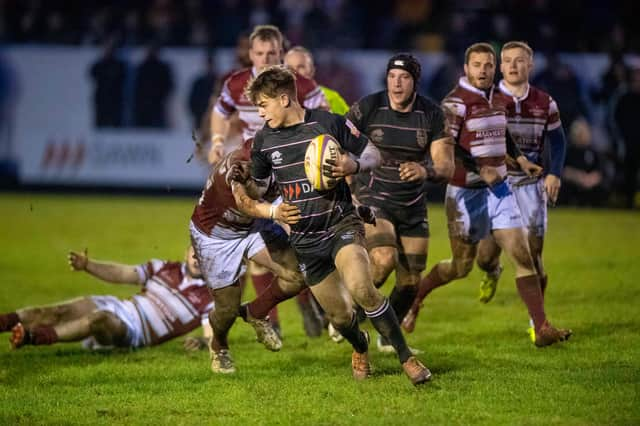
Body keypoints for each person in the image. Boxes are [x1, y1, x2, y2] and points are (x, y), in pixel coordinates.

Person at [242, 65, 431, 385]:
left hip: (341, 224)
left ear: (284, 99)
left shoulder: (327, 123)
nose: (259, 112)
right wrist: (257, 200)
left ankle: (407, 359)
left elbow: (373, 154)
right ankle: (361, 346)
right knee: (340, 317)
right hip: (304, 241)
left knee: (362, 288)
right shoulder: (262, 142)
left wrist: (351, 163)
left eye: (263, 104)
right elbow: (257, 193)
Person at [401, 43, 572, 348]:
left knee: (523, 254)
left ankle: (541, 327)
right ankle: (417, 299)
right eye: (477, 65)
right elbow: (445, 148)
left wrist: (519, 160)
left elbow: (502, 134)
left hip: (500, 190)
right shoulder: (454, 104)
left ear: (495, 69)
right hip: (467, 194)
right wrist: (481, 167)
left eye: (489, 65)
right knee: (461, 266)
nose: (483, 70)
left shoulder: (495, 98)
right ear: (466, 69)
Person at [208, 24, 328, 337]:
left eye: (272, 54)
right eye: (260, 54)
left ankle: (311, 304)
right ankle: (270, 321)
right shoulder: (237, 83)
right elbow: (221, 111)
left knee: (302, 240)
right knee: (260, 246)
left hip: (293, 172)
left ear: (281, 53)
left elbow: (324, 120)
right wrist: (218, 140)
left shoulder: (300, 85)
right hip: (257, 174)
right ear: (250, 54)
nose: (265, 60)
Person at [345, 53, 455, 353]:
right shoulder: (367, 107)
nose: (397, 83)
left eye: (404, 77)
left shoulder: (432, 114)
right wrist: (348, 193)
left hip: (412, 206)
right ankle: (344, 314)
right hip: (373, 198)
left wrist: (425, 170)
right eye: (392, 76)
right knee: (382, 260)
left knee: (410, 282)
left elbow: (446, 166)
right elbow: (339, 149)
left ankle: (384, 335)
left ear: (414, 82)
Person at [474, 41, 569, 343]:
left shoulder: (545, 102)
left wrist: (554, 173)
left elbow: (558, 142)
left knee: (534, 255)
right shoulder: (486, 99)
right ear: (500, 67)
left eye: (519, 61)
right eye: (507, 61)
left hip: (530, 187)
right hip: (495, 186)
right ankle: (491, 271)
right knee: (484, 257)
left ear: (530, 65)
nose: (513, 66)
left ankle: (537, 325)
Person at [189, 144, 306, 374]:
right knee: (227, 310)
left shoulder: (280, 160)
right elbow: (245, 203)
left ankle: (255, 311)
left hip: (254, 225)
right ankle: (219, 345)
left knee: (298, 276)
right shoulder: (238, 167)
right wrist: (275, 213)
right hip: (217, 237)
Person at [3, 246, 214, 351]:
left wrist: (202, 342)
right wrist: (88, 265)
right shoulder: (164, 267)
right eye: (194, 252)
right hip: (118, 306)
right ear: (186, 251)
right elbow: (122, 274)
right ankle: (4, 321)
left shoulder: (209, 298)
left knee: (99, 318)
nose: (197, 259)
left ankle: (33, 337)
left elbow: (212, 335)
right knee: (56, 311)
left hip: (134, 332)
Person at [283, 44, 350, 337]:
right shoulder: (277, 106)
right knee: (295, 248)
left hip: (329, 186)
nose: (298, 74)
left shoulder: (331, 100)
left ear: (312, 71)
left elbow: (349, 139)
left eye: (303, 68)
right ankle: (312, 305)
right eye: (292, 68)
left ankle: (335, 309)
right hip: (290, 187)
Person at [284, 46, 349, 115]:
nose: (295, 72)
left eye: (301, 67)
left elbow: (349, 124)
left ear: (312, 70)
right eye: (289, 68)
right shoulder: (276, 99)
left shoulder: (332, 98)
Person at [612, 66, 640, 209]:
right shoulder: (624, 97)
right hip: (627, 142)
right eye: (635, 79)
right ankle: (628, 200)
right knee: (628, 172)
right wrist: (619, 139)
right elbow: (615, 119)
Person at [133, 43, 174, 128]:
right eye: (149, 50)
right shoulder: (142, 68)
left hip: (157, 105)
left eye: (153, 50)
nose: (151, 52)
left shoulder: (162, 68)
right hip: (143, 106)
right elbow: (137, 88)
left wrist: (160, 97)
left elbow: (168, 85)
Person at [88, 40, 126, 128]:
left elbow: (121, 77)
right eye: (106, 48)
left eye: (110, 48)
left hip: (115, 99)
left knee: (116, 125)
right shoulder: (98, 64)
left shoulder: (119, 65)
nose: (108, 50)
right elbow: (92, 74)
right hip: (101, 98)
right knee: (100, 124)